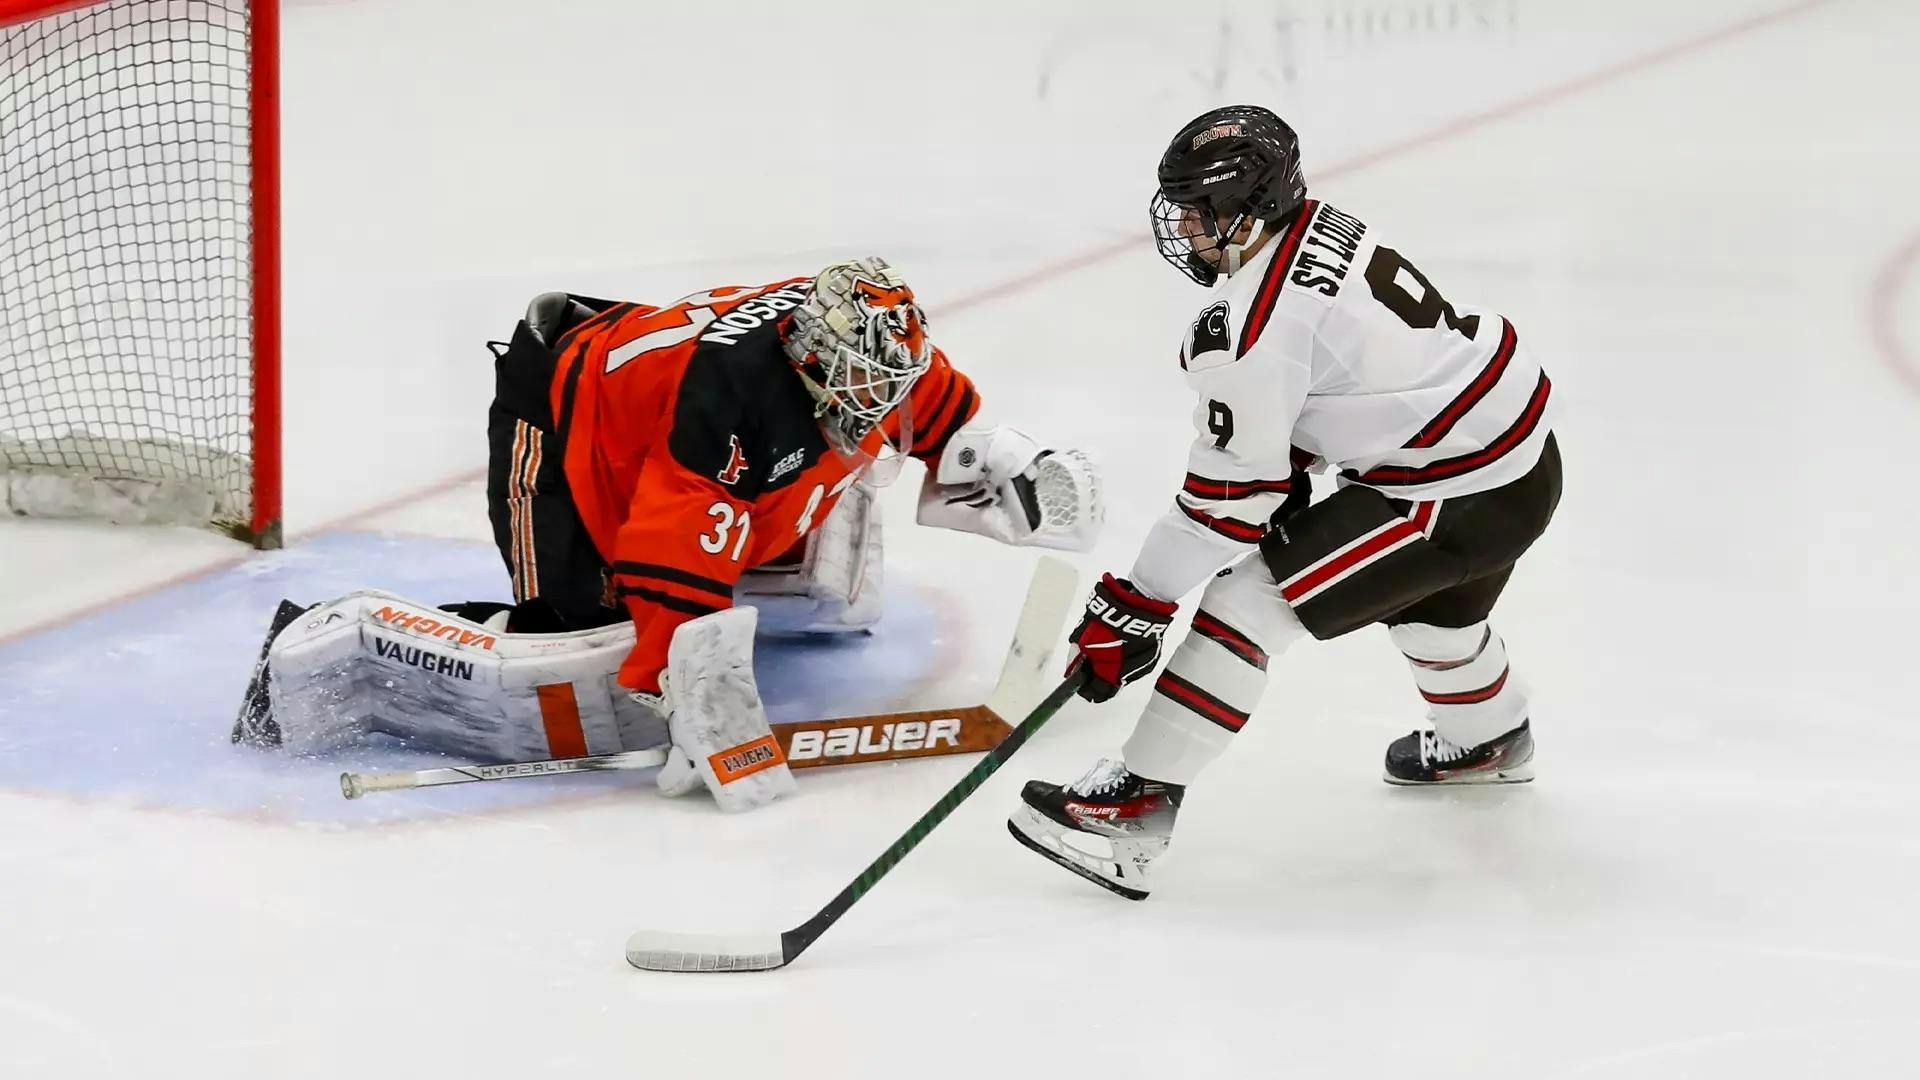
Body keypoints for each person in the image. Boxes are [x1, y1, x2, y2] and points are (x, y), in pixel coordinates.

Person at [235, 257, 1102, 811]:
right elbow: (671, 560)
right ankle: (329, 637)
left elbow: (921, 392)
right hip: (564, 417)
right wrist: (685, 690)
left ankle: (775, 582)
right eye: (862, 389)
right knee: (576, 652)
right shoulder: (732, 401)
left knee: (820, 489)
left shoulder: (854, 341)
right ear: (811, 362)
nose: (880, 406)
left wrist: (1002, 465)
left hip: (651, 392)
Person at [1007, 106, 1561, 899]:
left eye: (1203, 212)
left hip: (1452, 489)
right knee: (1434, 610)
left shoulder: (1252, 326)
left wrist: (1137, 603)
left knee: (1248, 602)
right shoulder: (1322, 225)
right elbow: (1341, 377)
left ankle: (1132, 808)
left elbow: (1229, 502)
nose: (1187, 229)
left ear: (1252, 205)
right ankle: (1487, 739)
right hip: (1519, 455)